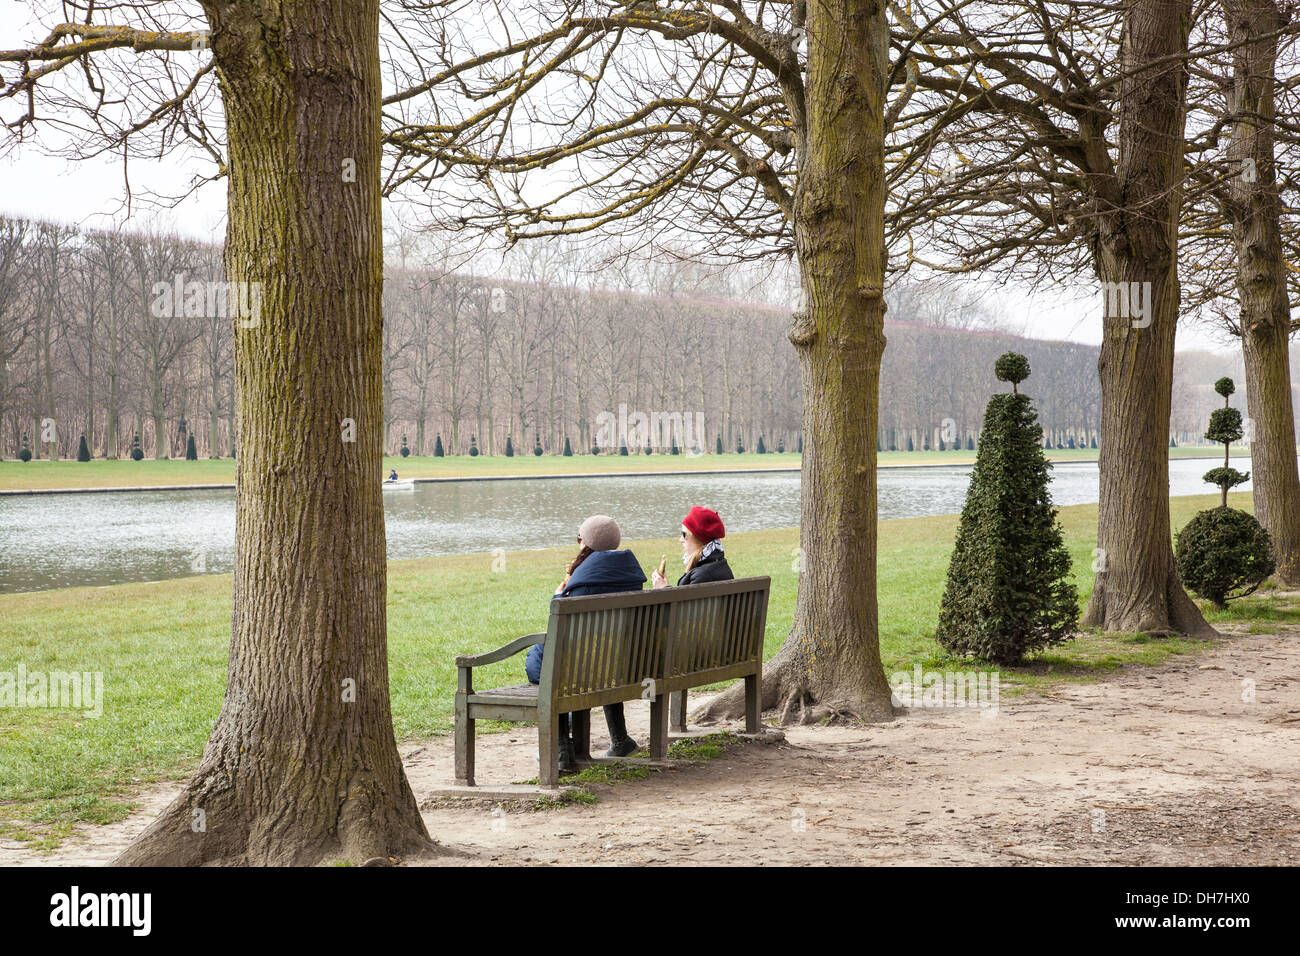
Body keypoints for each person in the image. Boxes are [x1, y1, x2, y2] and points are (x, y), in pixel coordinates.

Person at [526, 514, 645, 771]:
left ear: (584, 543)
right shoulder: (632, 576)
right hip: (624, 667)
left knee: (544, 664)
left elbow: (561, 637)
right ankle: (620, 740)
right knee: (602, 662)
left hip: (583, 671)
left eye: (579, 539)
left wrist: (558, 599)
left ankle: (561, 750)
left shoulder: (583, 582)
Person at [652, 506, 733, 588]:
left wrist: (663, 590)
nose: (681, 540)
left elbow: (685, 601)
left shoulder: (702, 575)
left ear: (700, 540)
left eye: (684, 535)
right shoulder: (719, 565)